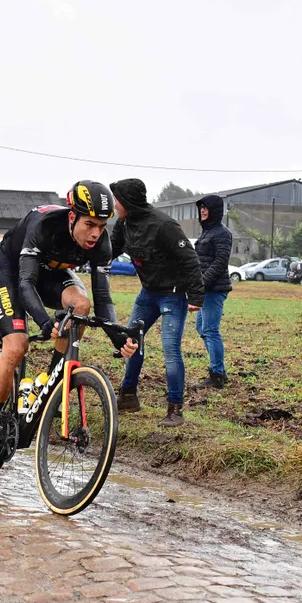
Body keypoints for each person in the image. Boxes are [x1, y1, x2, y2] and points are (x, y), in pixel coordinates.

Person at [0, 181, 137, 473]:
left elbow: (103, 298)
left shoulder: (102, 244)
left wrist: (117, 336)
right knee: (17, 346)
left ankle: (53, 381)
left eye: (101, 225)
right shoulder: (45, 225)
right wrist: (46, 323)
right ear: (72, 217)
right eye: (89, 224)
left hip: (52, 274)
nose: (96, 233)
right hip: (14, 273)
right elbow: (25, 284)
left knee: (81, 306)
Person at [109, 178, 204, 428]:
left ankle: (175, 409)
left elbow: (190, 259)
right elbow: (110, 249)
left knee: (170, 350)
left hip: (173, 295)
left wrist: (196, 296)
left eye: (117, 199)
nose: (114, 204)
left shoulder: (164, 225)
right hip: (148, 293)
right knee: (130, 340)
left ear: (127, 202)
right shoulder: (124, 223)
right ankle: (128, 396)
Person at [191, 194, 233, 389]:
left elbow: (220, 263)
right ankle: (219, 370)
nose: (203, 210)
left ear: (215, 210)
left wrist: (201, 283)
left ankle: (216, 374)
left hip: (215, 289)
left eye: (206, 208)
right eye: (201, 208)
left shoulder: (222, 233)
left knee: (210, 330)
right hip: (205, 289)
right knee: (202, 328)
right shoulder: (206, 232)